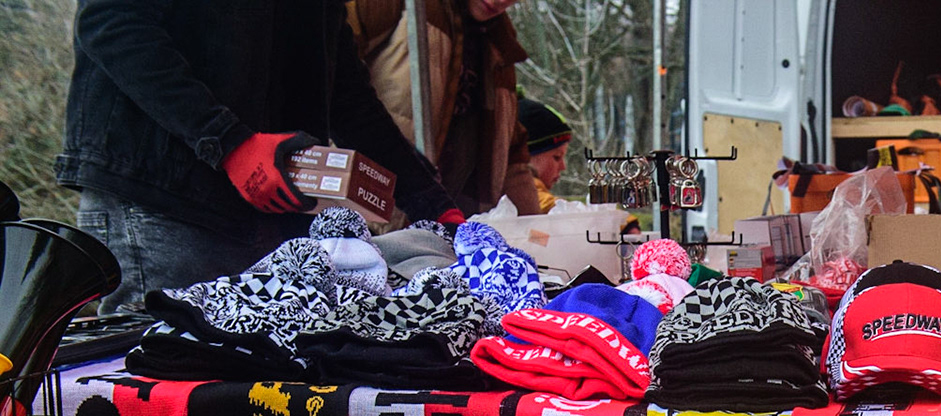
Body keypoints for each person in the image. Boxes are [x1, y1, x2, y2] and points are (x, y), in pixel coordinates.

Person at [59, 0, 462, 312]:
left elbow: (347, 94)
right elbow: (112, 24)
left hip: (274, 214)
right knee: (165, 386)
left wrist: (434, 204)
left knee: (259, 403)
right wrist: (228, 142)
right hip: (163, 205)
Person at [351, 0, 546, 216]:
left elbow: (511, 156)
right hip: (372, 214)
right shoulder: (405, 6)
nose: (501, 1)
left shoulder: (502, 44)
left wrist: (537, 235)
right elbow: (330, 70)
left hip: (453, 224)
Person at [515, 99, 573, 214]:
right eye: (556, 157)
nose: (563, 167)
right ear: (526, 157)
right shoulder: (523, 192)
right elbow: (551, 207)